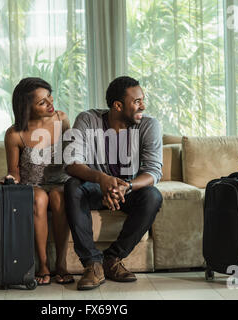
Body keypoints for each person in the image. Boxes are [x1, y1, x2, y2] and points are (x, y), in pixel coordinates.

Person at [64, 76, 163, 290]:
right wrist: (102, 179)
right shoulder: (88, 120)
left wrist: (126, 186)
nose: (143, 106)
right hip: (94, 188)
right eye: (136, 101)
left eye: (142, 100)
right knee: (72, 186)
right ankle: (92, 264)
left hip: (126, 190)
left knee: (153, 195)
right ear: (118, 106)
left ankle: (112, 259)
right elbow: (72, 163)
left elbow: (154, 171)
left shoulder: (149, 125)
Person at [0, 77, 73, 285]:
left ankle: (62, 265)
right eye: (42, 102)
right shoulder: (14, 134)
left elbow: (72, 156)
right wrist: (10, 179)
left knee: (59, 197)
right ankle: (44, 266)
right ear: (26, 107)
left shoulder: (62, 119)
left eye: (49, 96)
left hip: (60, 180)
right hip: (32, 184)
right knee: (39, 199)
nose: (50, 104)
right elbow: (14, 171)